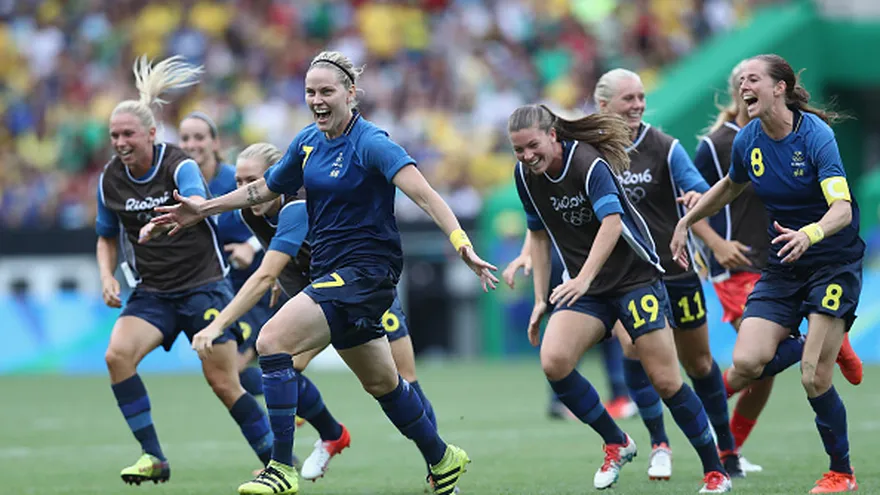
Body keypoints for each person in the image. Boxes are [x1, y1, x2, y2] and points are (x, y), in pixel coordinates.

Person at [151, 51, 497, 495]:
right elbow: (263, 188)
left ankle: (280, 467)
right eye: (311, 91)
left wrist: (460, 243)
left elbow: (425, 194)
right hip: (334, 275)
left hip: (367, 273)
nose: (317, 99)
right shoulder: (308, 142)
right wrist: (203, 209)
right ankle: (443, 458)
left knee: (271, 342)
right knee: (383, 382)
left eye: (327, 91)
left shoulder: (372, 142)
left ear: (350, 94)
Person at [190, 142, 445, 488]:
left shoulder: (298, 206)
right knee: (282, 362)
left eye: (251, 180)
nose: (243, 190)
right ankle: (322, 441)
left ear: (275, 178)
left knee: (400, 380)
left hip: (362, 291)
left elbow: (265, 271)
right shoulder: (250, 212)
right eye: (237, 181)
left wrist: (218, 324)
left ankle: (436, 466)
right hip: (323, 298)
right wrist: (284, 279)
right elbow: (277, 256)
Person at [509, 103, 731, 493]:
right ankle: (617, 442)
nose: (527, 157)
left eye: (532, 146)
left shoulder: (589, 164)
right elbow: (539, 235)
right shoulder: (525, 177)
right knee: (554, 361)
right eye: (518, 151)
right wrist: (541, 299)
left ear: (553, 136)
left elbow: (612, 224)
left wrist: (582, 279)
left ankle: (715, 471)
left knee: (666, 381)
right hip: (587, 288)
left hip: (635, 280)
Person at [671, 53, 862, 493]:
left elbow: (842, 208)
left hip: (832, 262)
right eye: (740, 83)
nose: (743, 88)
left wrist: (809, 234)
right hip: (784, 266)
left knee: (814, 375)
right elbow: (729, 186)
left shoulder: (816, 136)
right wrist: (687, 222)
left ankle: (841, 472)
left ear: (779, 87)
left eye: (753, 80)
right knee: (747, 361)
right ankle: (828, 338)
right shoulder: (747, 139)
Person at [96, 55, 273, 485]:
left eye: (128, 134)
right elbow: (105, 235)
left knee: (224, 383)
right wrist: (106, 275)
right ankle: (153, 456)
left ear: (151, 134)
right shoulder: (109, 180)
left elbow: (197, 206)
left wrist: (163, 224)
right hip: (153, 292)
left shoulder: (180, 165)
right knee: (117, 356)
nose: (120, 142)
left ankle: (275, 461)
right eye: (114, 134)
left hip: (204, 288)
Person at [593, 68, 739, 479]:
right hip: (626, 278)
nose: (638, 105)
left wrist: (697, 198)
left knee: (698, 362)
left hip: (675, 271)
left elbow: (700, 189)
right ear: (603, 106)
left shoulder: (665, 146)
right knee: (634, 349)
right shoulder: (588, 152)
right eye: (629, 99)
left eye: (641, 97)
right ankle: (660, 445)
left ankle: (728, 451)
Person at [179, 112, 276, 397]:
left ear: (215, 142)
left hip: (257, 287)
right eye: (185, 138)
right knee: (228, 373)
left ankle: (303, 403)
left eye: (199, 137)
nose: (191, 144)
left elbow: (276, 216)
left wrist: (252, 245)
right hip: (220, 291)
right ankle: (298, 395)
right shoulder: (179, 187)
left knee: (231, 367)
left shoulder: (239, 179)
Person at [503, 232, 636, 420]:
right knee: (592, 325)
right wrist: (527, 253)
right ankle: (618, 395)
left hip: (570, 256)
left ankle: (565, 398)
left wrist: (527, 253)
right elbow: (537, 218)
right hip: (573, 258)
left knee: (579, 328)